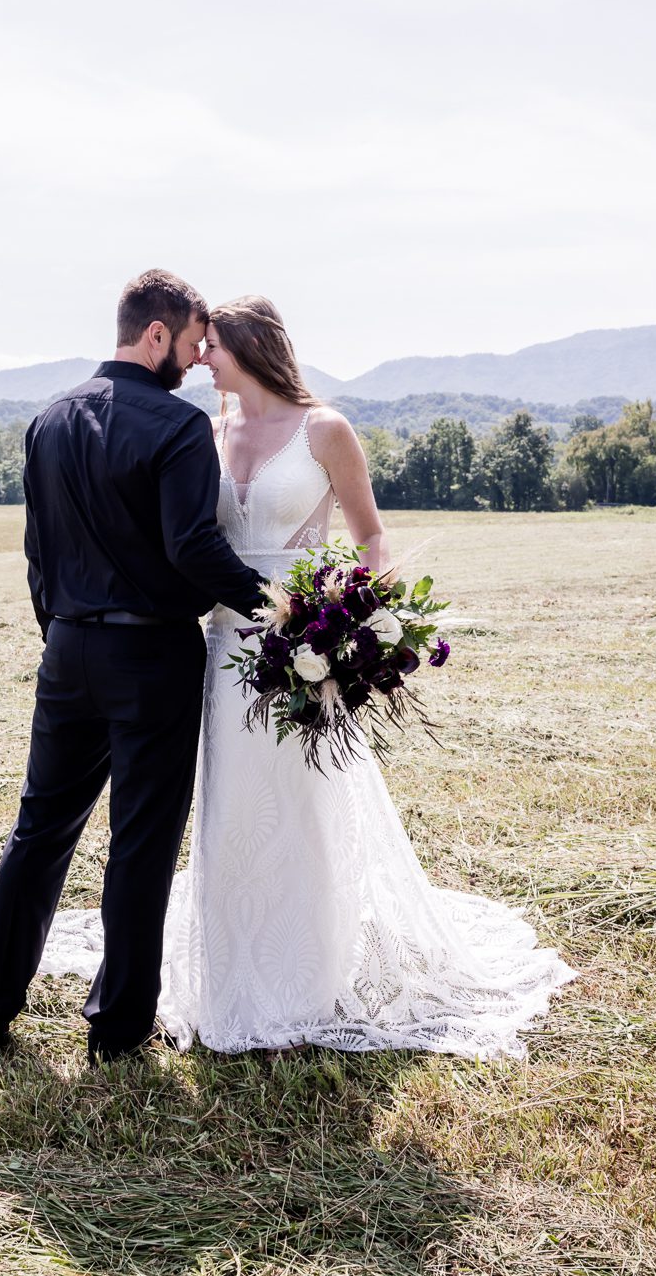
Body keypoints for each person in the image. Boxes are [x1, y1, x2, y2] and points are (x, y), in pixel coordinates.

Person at [40, 295, 575, 1057]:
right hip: (228, 647)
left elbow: (372, 536)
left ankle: (310, 975)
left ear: (246, 348)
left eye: (211, 346)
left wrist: (364, 629)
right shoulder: (208, 432)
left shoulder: (325, 429)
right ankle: (231, 975)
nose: (199, 359)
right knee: (229, 810)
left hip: (309, 642)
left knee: (305, 806)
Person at [0, 269, 267, 1067]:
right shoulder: (176, 427)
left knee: (39, 831)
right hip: (155, 655)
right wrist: (276, 606)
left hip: (66, 650)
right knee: (140, 843)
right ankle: (119, 1027)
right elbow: (192, 547)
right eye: (194, 342)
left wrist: (61, 633)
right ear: (156, 334)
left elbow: (37, 552)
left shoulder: (47, 420)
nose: (198, 358)